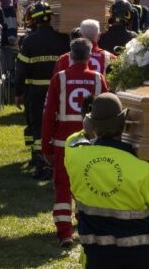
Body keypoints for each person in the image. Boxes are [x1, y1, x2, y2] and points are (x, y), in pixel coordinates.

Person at [64, 93, 149, 267]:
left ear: (92, 126)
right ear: (123, 126)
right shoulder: (142, 168)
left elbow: (73, 139)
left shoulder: (75, 155)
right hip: (138, 255)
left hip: (97, 254)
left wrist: (88, 125)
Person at [41, 38, 107, 246]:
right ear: (89, 56)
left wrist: (46, 146)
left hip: (63, 144)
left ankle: (64, 233)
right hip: (90, 143)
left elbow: (48, 115)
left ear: (70, 55)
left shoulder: (59, 78)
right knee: (88, 183)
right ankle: (86, 226)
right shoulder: (98, 79)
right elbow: (106, 114)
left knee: (62, 186)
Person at [14, 3, 70, 180]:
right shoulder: (63, 38)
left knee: (37, 126)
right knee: (56, 124)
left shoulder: (30, 40)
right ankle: (53, 160)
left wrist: (18, 91)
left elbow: (21, 69)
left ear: (34, 19)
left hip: (36, 92)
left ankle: (41, 163)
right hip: (59, 91)